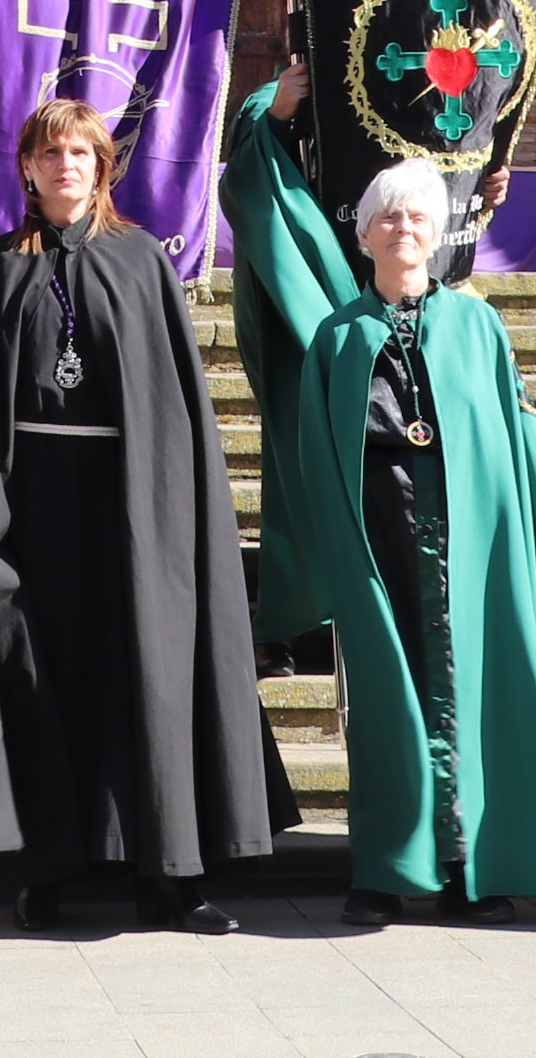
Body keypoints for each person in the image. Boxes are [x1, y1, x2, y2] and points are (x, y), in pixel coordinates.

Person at [0, 99, 290, 933]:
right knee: (43, 678)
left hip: (136, 503)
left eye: (82, 155)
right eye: (52, 154)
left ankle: (167, 876)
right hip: (33, 510)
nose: (67, 167)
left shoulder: (140, 264)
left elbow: (174, 411)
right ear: (27, 166)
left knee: (148, 673)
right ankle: (49, 870)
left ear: (103, 168)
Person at [300, 160, 536, 927]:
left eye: (417, 218)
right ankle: (382, 868)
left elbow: (511, 439)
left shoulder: (476, 323)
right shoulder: (338, 337)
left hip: (465, 536)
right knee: (388, 705)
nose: (404, 229)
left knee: (469, 701)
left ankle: (467, 869)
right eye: (388, 218)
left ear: (436, 233)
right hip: (381, 536)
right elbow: (316, 459)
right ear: (363, 236)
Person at [217, 47, 351, 664]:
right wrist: (276, 117)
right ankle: (297, 615)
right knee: (303, 459)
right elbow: (243, 181)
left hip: (401, 299)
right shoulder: (267, 100)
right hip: (305, 316)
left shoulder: (415, 83)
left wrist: (476, 189)